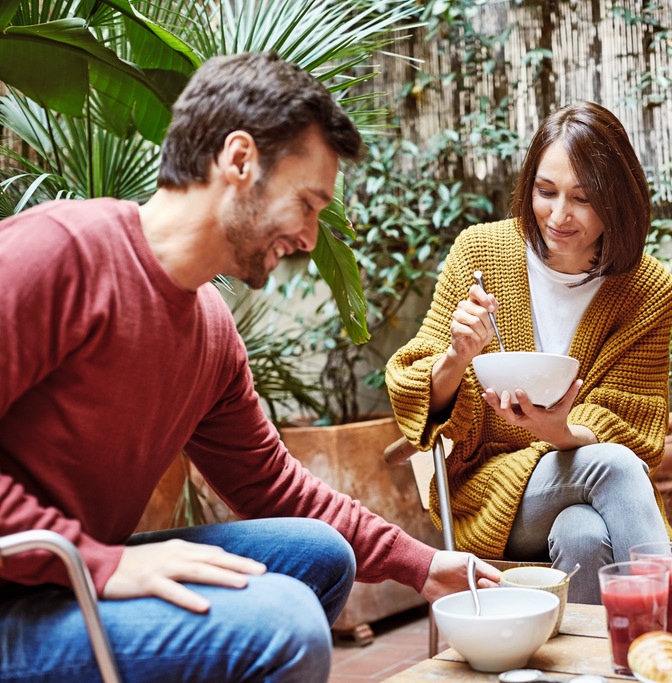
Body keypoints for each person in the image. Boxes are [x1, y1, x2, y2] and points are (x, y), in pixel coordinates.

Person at [0, 52, 499, 683]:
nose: (313, 238)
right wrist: (98, 563)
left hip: (65, 573)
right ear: (239, 161)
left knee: (317, 554)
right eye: (308, 204)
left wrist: (420, 564)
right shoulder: (58, 254)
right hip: (22, 589)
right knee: (283, 627)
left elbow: (273, 485)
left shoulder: (209, 328)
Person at [386, 101, 672, 604]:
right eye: (545, 192)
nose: (558, 216)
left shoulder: (645, 288)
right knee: (615, 467)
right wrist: (457, 357)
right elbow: (411, 389)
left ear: (618, 202)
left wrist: (560, 432)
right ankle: (669, 654)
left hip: (583, 478)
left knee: (582, 533)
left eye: (582, 199)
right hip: (488, 492)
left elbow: (634, 423)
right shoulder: (480, 252)